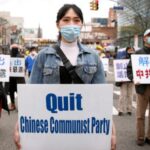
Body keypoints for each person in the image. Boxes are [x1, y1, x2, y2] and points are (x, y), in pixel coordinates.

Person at [14, 4, 116, 150]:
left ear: (81, 24)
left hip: (84, 129)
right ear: (58, 24)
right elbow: (31, 97)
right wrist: (19, 127)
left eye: (76, 20)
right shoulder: (43, 56)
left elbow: (101, 101)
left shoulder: (93, 57)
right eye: (66, 20)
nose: (71, 24)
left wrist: (111, 131)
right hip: (50, 128)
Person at [127, 29, 150, 146]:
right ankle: (140, 137)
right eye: (149, 36)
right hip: (142, 88)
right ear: (144, 38)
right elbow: (129, 70)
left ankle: (149, 137)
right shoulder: (138, 53)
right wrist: (133, 78)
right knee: (140, 115)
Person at [117, 46, 135, 116]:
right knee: (122, 95)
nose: (131, 51)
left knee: (130, 95)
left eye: (132, 50)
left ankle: (129, 109)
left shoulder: (135, 59)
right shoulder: (123, 59)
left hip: (131, 80)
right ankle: (120, 110)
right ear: (127, 51)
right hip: (123, 81)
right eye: (129, 50)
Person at [8, 45, 26, 111]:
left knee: (19, 91)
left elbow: (24, 66)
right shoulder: (9, 57)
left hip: (18, 78)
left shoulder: (21, 57)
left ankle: (19, 105)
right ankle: (13, 105)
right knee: (11, 91)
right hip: (12, 77)